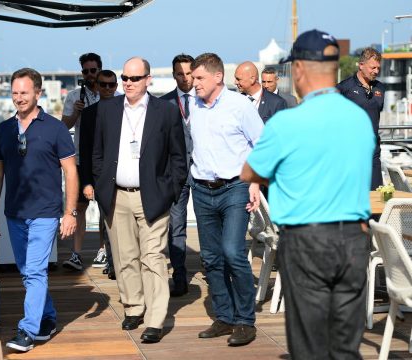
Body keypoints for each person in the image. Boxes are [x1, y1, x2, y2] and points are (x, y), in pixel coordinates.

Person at [241, 29, 375, 359]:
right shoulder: (359, 117)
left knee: (310, 349)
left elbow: (250, 171)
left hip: (306, 241)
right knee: (346, 348)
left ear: (300, 69)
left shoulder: (287, 123)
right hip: (355, 240)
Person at [93, 57, 187, 343]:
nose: (128, 83)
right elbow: (97, 154)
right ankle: (133, 307)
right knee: (123, 257)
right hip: (116, 196)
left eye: (135, 78)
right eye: (125, 78)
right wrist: (100, 186)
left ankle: (155, 320)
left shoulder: (166, 112)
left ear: (149, 79)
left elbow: (178, 158)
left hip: (153, 198)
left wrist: (168, 192)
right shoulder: (107, 110)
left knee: (153, 259)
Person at [0, 68, 78, 352]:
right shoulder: (4, 130)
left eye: (24, 92)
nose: (18, 98)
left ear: (38, 93)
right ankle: (48, 318)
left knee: (36, 271)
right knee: (28, 271)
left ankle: (26, 330)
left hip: (46, 213)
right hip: (15, 213)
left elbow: (71, 173)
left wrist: (69, 212)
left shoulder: (56, 128)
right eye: (14, 92)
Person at [190, 53, 263, 346]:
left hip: (235, 187)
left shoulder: (239, 106)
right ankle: (224, 317)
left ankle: (245, 321)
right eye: (193, 78)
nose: (193, 84)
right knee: (211, 258)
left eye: (199, 78)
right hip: (201, 188)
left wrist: (256, 182)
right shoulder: (193, 105)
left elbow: (263, 145)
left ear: (217, 77)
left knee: (233, 252)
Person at [62, 52, 107, 271]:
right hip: (81, 158)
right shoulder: (73, 96)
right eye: (86, 71)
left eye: (93, 70)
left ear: (100, 70)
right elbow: (64, 127)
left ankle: (103, 250)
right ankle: (76, 253)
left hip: (105, 159)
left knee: (105, 207)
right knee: (80, 206)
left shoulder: (109, 94)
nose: (90, 75)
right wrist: (76, 114)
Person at [160, 54, 195, 297]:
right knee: (177, 227)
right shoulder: (164, 104)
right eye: (179, 74)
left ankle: (216, 274)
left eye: (188, 73)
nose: (185, 78)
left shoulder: (206, 100)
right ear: (174, 75)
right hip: (177, 175)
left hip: (206, 173)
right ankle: (179, 277)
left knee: (208, 225)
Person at [79, 69, 119, 280]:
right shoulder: (88, 114)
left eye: (111, 84)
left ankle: (120, 264)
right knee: (107, 222)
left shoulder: (126, 109)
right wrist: (86, 182)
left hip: (124, 175)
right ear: (97, 86)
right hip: (99, 177)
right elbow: (84, 151)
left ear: (116, 86)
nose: (107, 88)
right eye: (103, 84)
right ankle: (113, 264)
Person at [337, 47, 385, 190]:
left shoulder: (381, 88)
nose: (376, 71)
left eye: (378, 68)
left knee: (376, 196)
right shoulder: (344, 88)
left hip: (373, 152)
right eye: (372, 67)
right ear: (361, 65)